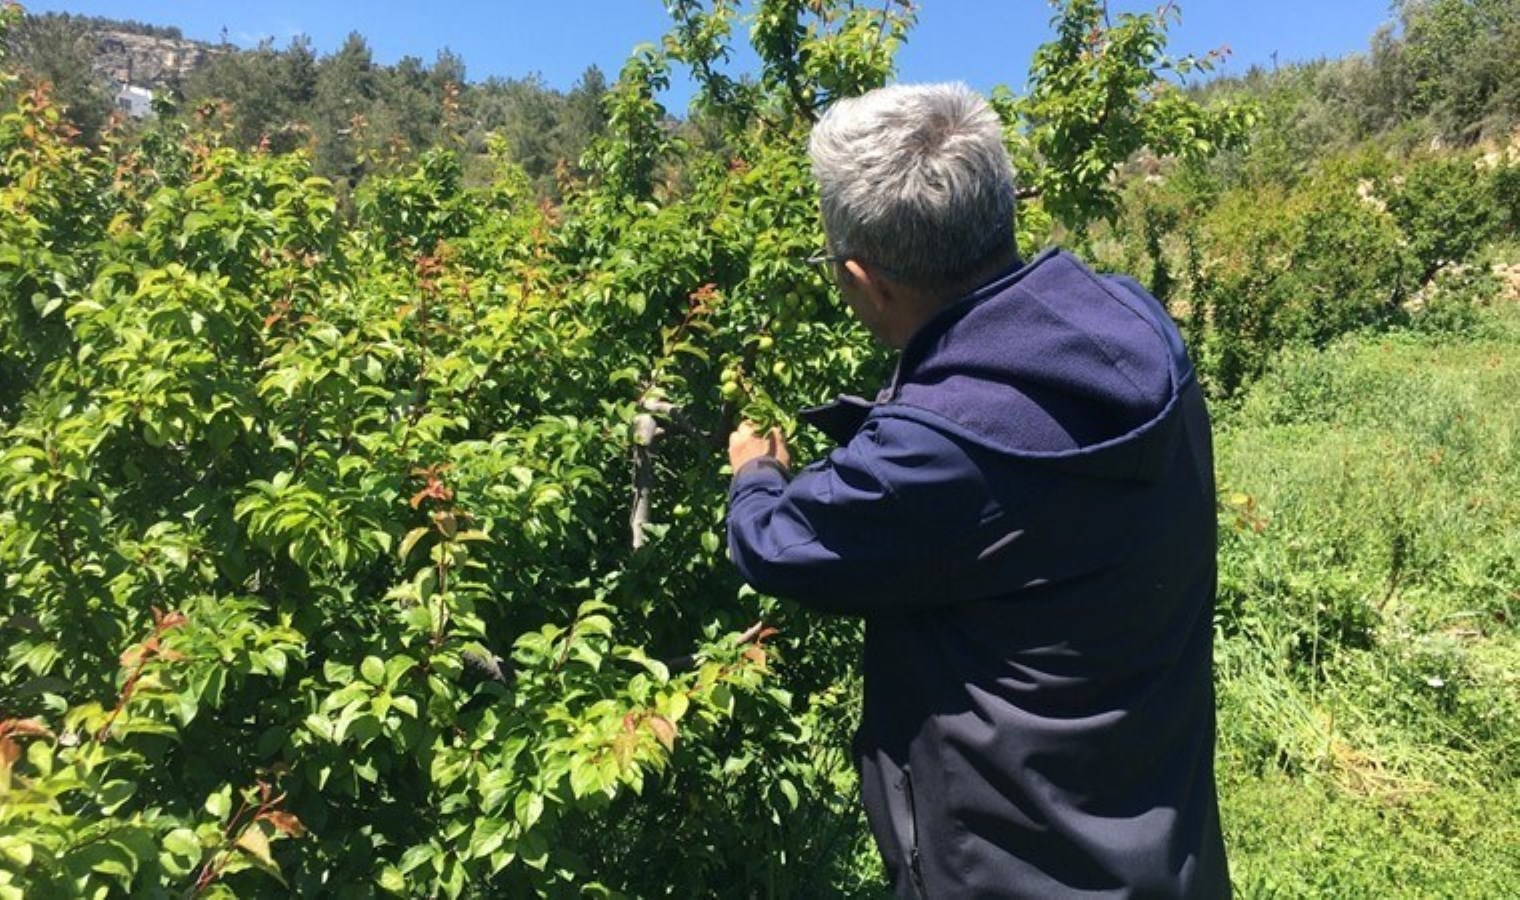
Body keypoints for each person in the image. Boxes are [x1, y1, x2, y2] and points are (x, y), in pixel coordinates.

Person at [725, 83, 1230, 898]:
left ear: (865, 280)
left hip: (1015, 872)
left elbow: (779, 545)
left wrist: (754, 472)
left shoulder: (933, 455)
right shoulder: (1137, 326)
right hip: (1166, 848)